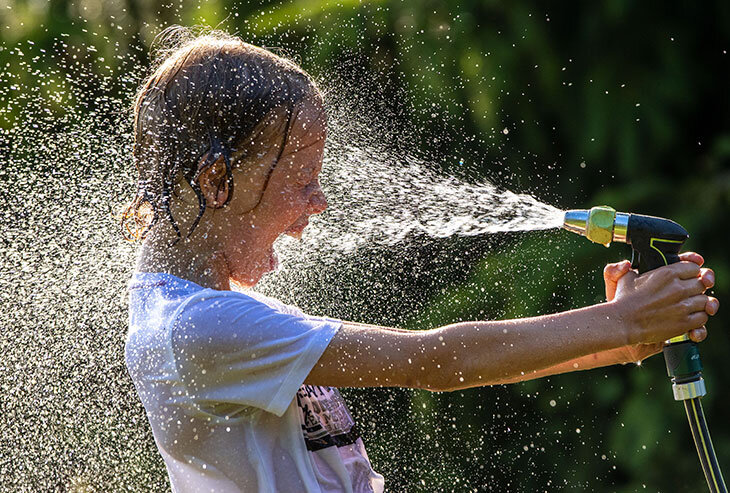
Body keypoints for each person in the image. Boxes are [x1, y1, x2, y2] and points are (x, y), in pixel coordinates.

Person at [123, 28, 719, 493]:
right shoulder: (195, 329)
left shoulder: (219, 311)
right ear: (215, 179)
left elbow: (448, 364)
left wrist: (620, 336)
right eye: (303, 178)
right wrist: (623, 322)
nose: (319, 201)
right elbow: (428, 361)